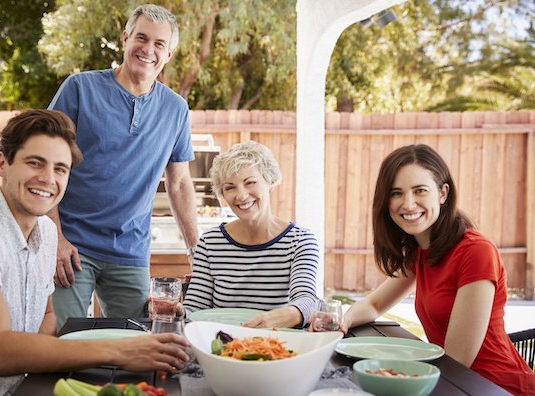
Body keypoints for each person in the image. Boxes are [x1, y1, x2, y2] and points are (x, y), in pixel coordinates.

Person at [0, 110, 189, 396]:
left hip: (18, 387)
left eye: (60, 169)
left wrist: (39, 357)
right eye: (35, 163)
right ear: (2, 163)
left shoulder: (47, 233)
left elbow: (48, 314)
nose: (48, 178)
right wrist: (121, 351)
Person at [311, 144, 534, 395]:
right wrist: (341, 321)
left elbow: (457, 359)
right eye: (396, 193)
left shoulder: (476, 251)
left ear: (442, 193)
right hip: (447, 380)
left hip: (491, 386)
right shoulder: (420, 250)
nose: (408, 204)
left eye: (420, 191)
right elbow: (374, 305)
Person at [47, 3, 198, 328]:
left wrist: (195, 250)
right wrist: (55, 238)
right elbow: (47, 166)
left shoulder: (176, 109)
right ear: (126, 38)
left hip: (130, 251)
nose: (148, 49)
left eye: (159, 44)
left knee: (133, 343)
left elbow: (180, 183)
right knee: (63, 341)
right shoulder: (79, 89)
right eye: (141, 38)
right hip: (72, 246)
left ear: (169, 55)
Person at [182, 141, 319, 329]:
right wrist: (178, 312)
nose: (242, 196)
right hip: (221, 346)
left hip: (278, 346)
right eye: (230, 187)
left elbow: (307, 301)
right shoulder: (210, 243)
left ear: (270, 181)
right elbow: (195, 309)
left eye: (250, 183)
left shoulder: (300, 242)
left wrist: (288, 314)